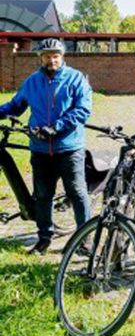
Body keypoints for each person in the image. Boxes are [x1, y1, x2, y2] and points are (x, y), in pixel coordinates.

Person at [0, 38, 92, 255]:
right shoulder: (32, 81)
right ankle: (44, 238)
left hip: (69, 148)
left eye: (55, 56)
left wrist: (57, 127)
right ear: (40, 58)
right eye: (47, 56)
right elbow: (16, 106)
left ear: (62, 57)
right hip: (40, 149)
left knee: (77, 193)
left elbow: (83, 110)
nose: (52, 60)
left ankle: (84, 239)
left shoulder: (76, 79)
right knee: (42, 195)